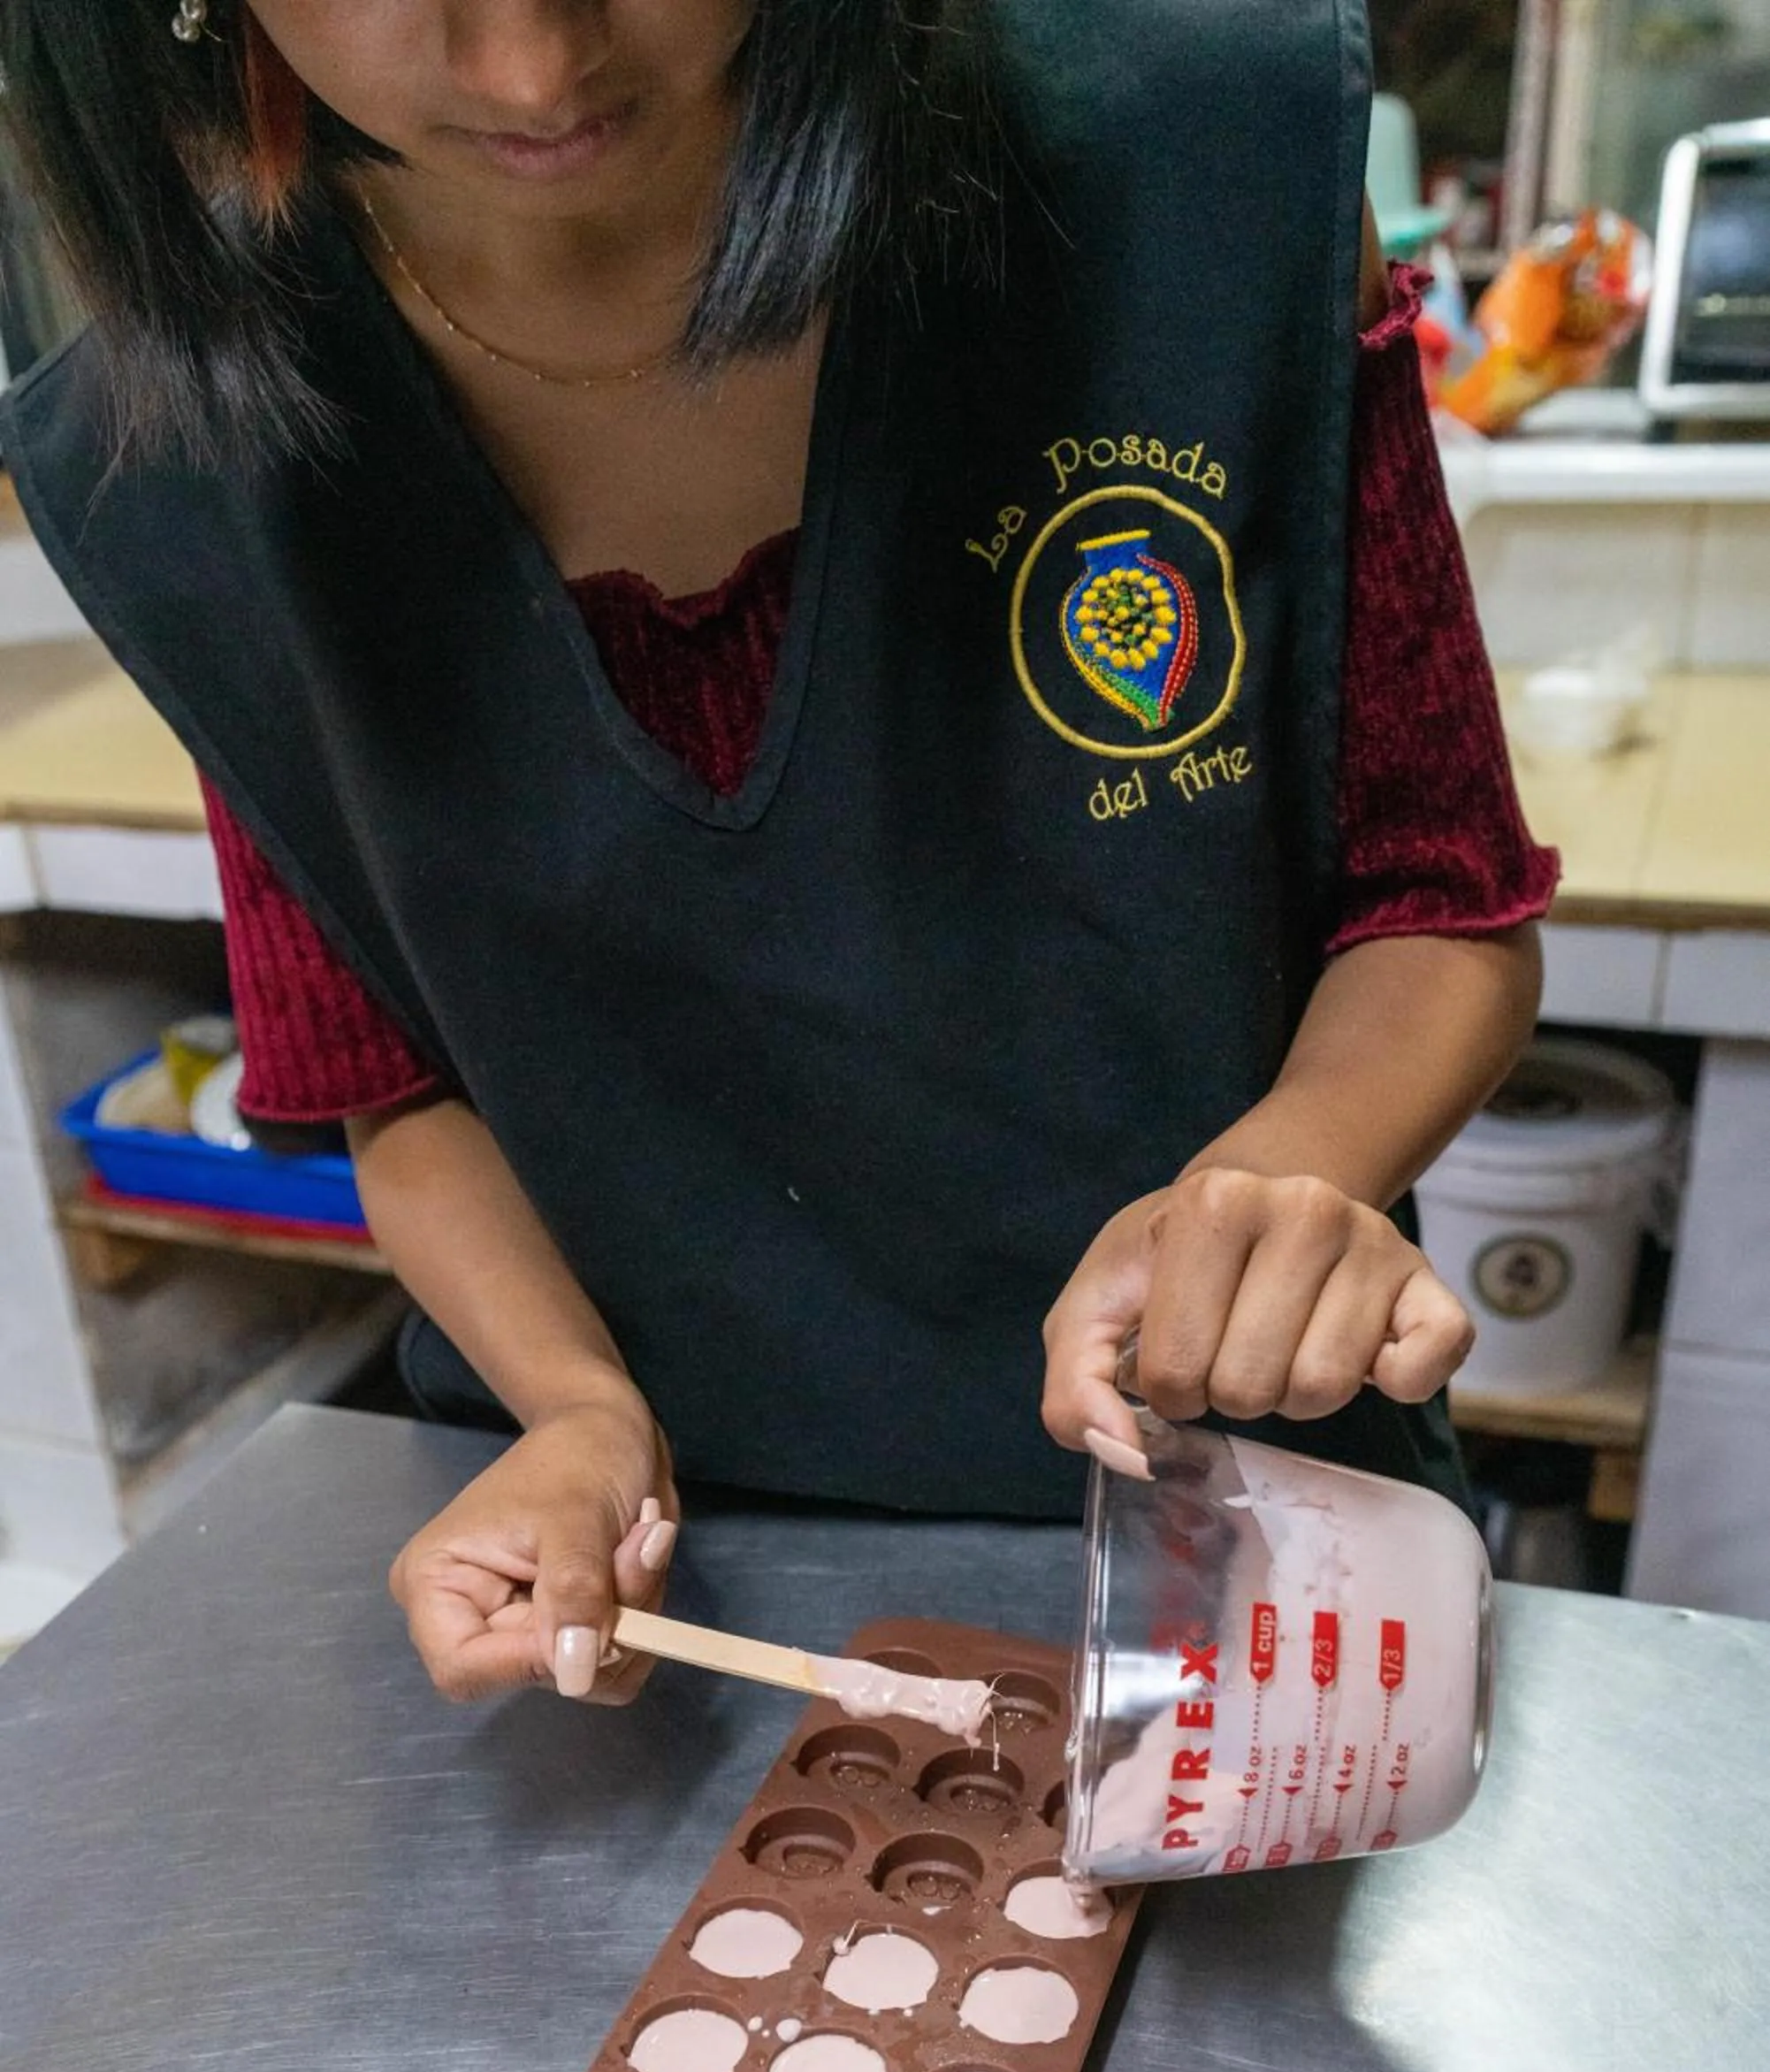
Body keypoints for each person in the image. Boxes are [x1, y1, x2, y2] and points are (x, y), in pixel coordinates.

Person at [0, 0, 1553, 1712]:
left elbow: (1435, 901)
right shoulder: (183, 446)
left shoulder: (1188, 186)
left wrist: (1293, 1168)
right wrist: (579, 1411)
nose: (531, 68)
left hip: (1239, 1513)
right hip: (680, 1580)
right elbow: (393, 1079)